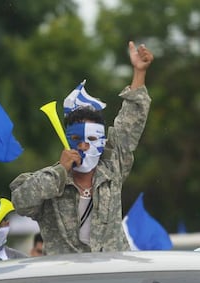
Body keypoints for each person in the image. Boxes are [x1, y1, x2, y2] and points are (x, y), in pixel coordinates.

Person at [10, 41, 154, 255]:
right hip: (65, 277)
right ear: (66, 140)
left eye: (93, 138)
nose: (85, 144)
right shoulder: (50, 183)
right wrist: (60, 170)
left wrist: (139, 72)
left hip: (111, 273)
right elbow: (21, 201)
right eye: (77, 138)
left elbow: (128, 124)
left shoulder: (112, 169)